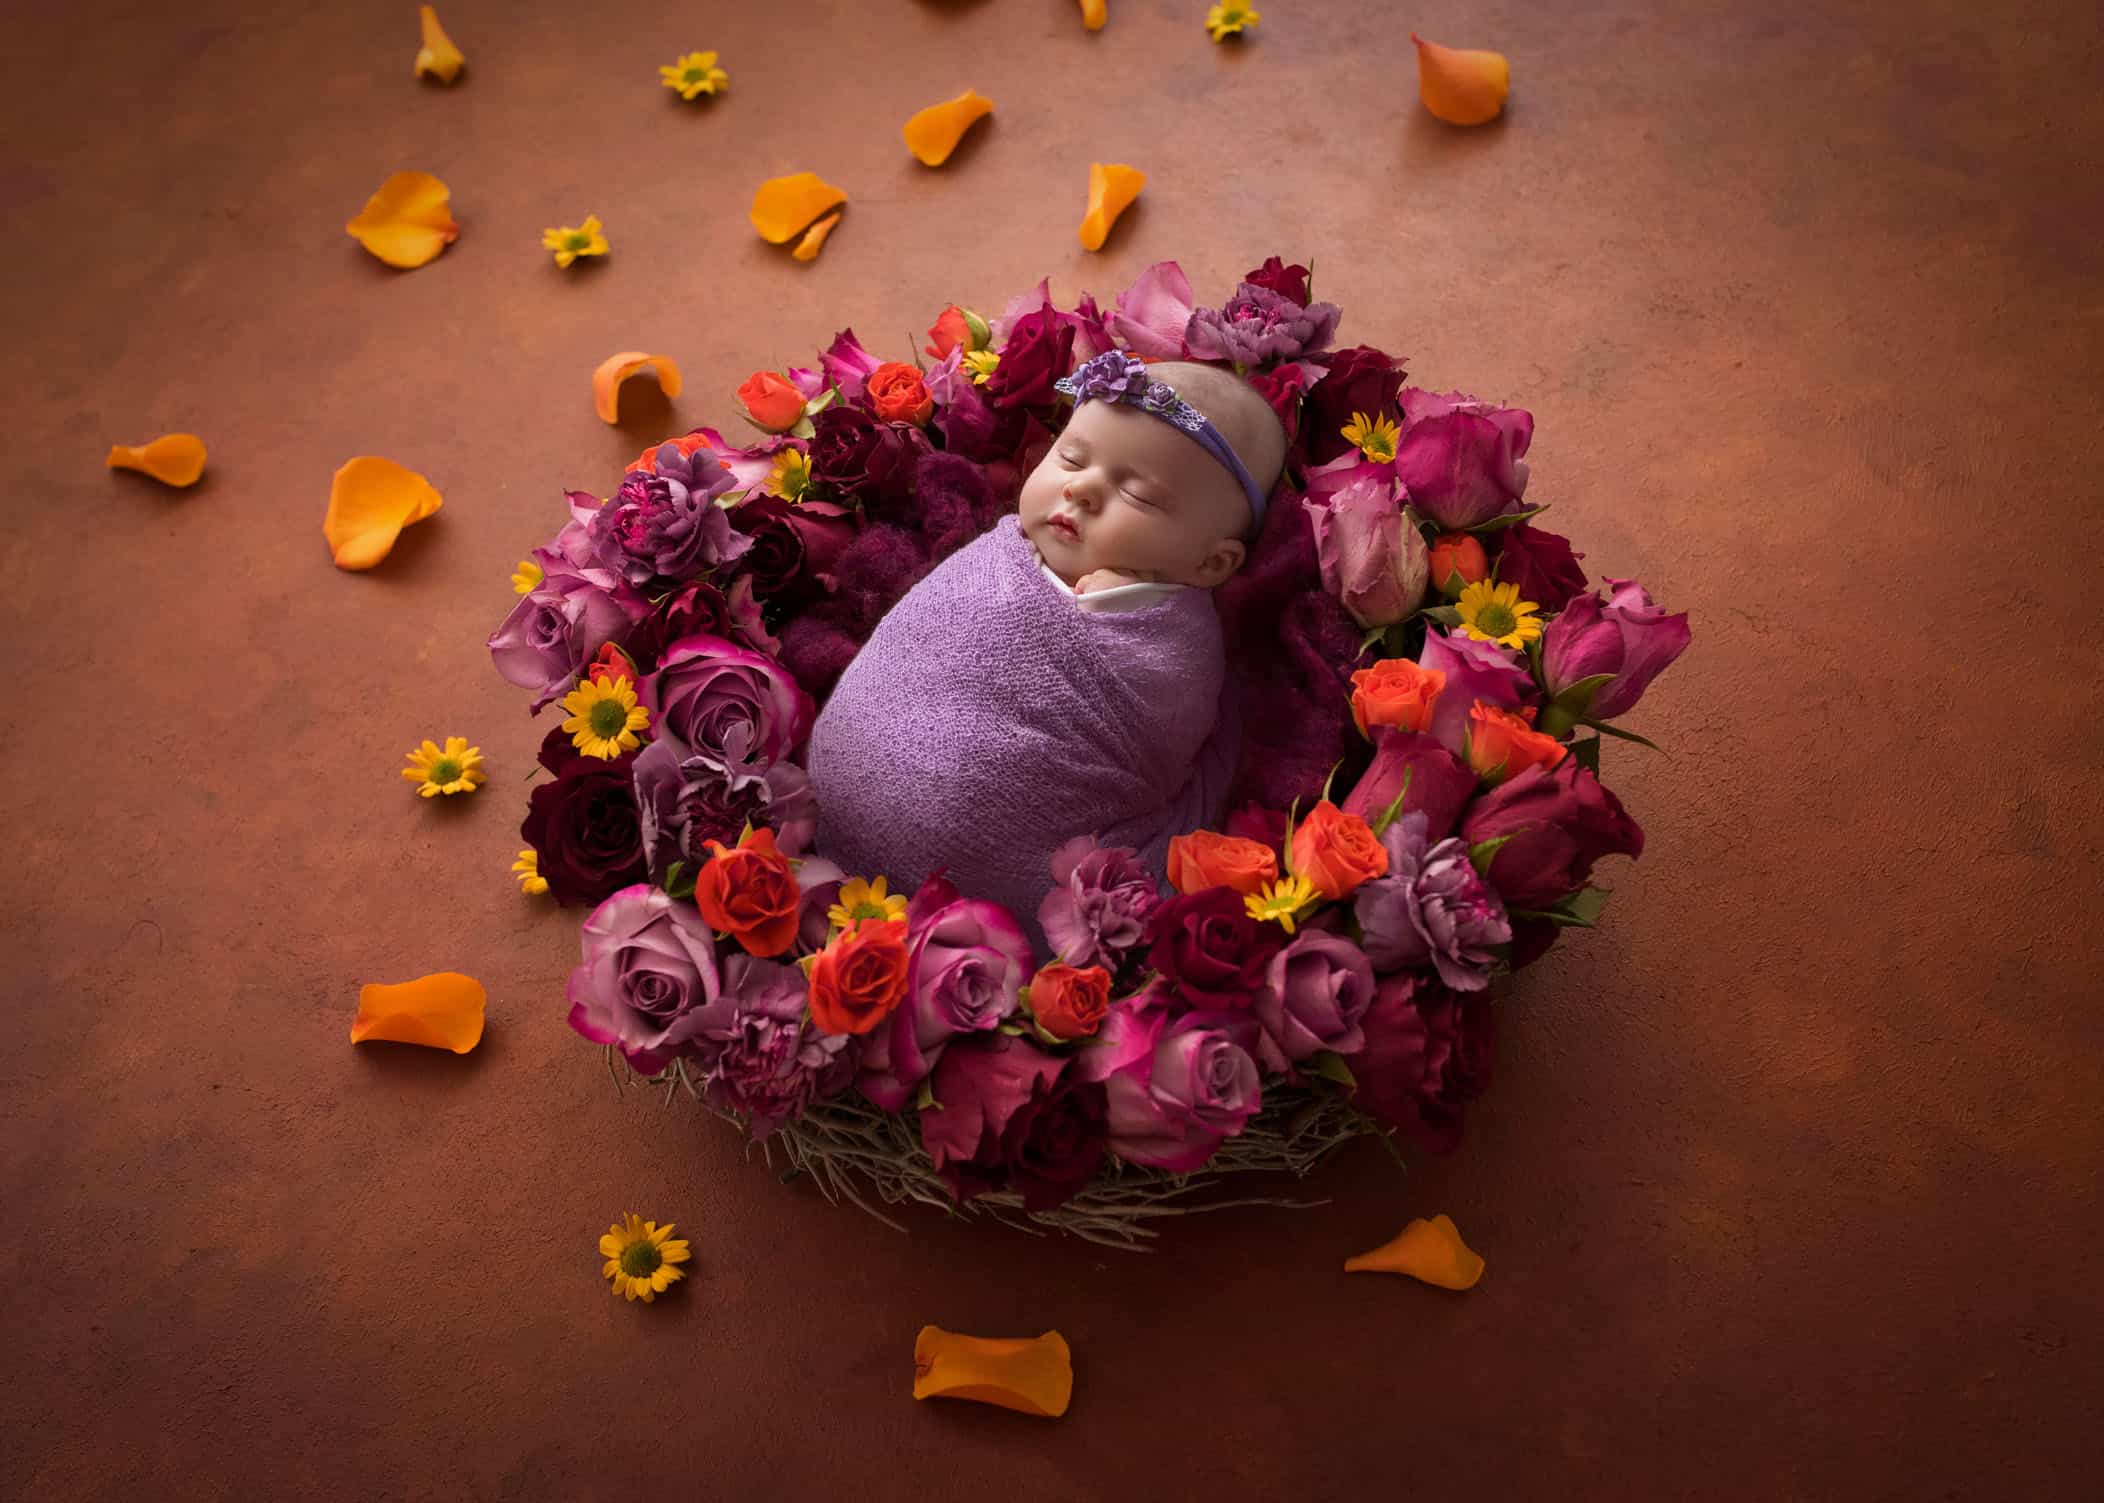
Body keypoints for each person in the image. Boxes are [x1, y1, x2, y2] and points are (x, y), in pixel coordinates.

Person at [804, 351, 1288, 956]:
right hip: (843, 783)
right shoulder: (1006, 551)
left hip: (996, 854)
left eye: (1137, 495)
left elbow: (1166, 727)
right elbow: (919, 640)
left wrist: (1124, 611)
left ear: (1209, 564)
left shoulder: (1175, 637)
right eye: (1072, 458)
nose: (1080, 490)